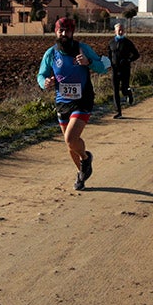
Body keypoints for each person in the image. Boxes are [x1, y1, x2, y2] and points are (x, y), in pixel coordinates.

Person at [38, 17, 109, 190]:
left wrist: (89, 62)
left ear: (72, 32)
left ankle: (85, 158)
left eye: (67, 31)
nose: (64, 34)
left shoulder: (83, 49)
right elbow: (41, 75)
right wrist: (45, 82)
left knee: (71, 138)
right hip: (62, 102)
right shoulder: (51, 53)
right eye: (60, 30)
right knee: (70, 144)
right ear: (55, 32)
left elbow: (103, 67)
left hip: (82, 100)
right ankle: (82, 172)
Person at [106, 22, 140, 118]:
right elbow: (109, 55)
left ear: (124, 31)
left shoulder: (128, 43)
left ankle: (129, 93)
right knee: (115, 90)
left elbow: (136, 55)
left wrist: (128, 60)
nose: (120, 32)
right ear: (115, 31)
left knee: (124, 89)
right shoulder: (111, 43)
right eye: (119, 30)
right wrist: (108, 64)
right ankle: (118, 112)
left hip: (125, 70)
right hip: (114, 70)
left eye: (122, 30)